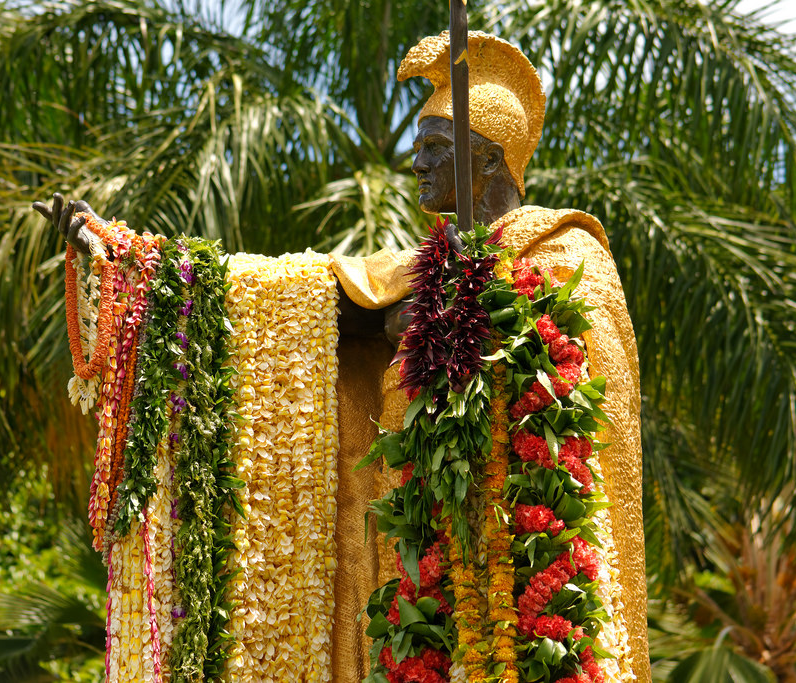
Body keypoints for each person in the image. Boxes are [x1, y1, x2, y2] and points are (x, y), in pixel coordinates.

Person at [35, 28, 649, 682]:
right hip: (424, 582)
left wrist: (459, 320)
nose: (417, 165)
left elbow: (579, 375)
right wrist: (142, 269)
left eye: (435, 148)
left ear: (489, 161)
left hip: (527, 567)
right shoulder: (419, 267)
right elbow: (301, 293)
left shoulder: (565, 251)